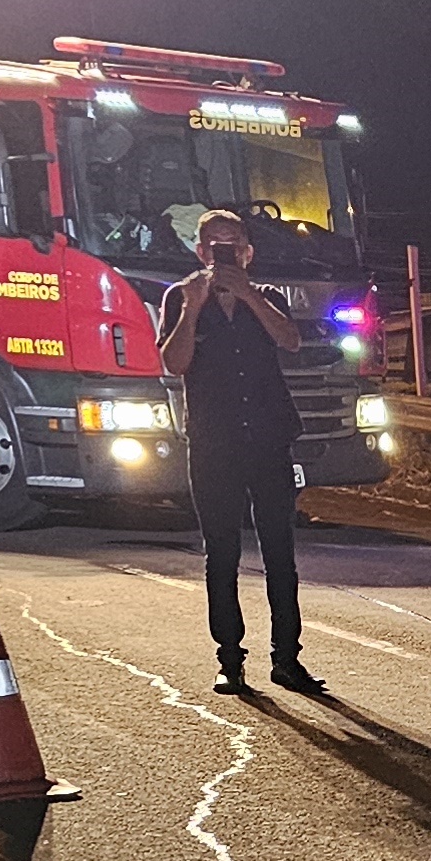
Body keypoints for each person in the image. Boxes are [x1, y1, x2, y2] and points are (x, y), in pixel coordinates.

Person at [159, 207, 321, 700]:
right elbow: (173, 362)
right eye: (215, 244)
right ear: (201, 251)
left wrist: (248, 295)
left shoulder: (267, 296)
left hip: (269, 439)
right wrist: (192, 307)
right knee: (221, 555)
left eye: (233, 245)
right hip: (214, 443)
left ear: (248, 253)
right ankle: (230, 661)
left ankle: (287, 659)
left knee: (280, 555)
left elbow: (291, 343)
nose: (224, 252)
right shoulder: (181, 296)